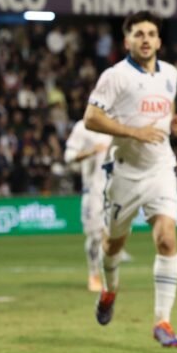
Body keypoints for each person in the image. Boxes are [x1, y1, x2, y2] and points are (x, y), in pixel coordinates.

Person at [84, 10, 177, 347]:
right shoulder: (114, 76)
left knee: (167, 240)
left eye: (151, 33)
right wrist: (134, 131)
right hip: (125, 173)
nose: (145, 39)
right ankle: (110, 291)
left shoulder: (170, 74)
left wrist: (175, 126)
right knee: (113, 243)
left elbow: (166, 110)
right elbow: (91, 118)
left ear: (159, 40)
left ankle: (163, 321)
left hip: (160, 169)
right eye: (138, 34)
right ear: (127, 40)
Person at [63, 118, 112, 292]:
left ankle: (109, 275)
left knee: (114, 236)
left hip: (116, 189)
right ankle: (94, 274)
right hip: (94, 191)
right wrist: (90, 152)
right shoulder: (83, 127)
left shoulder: (117, 124)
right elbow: (68, 157)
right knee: (96, 236)